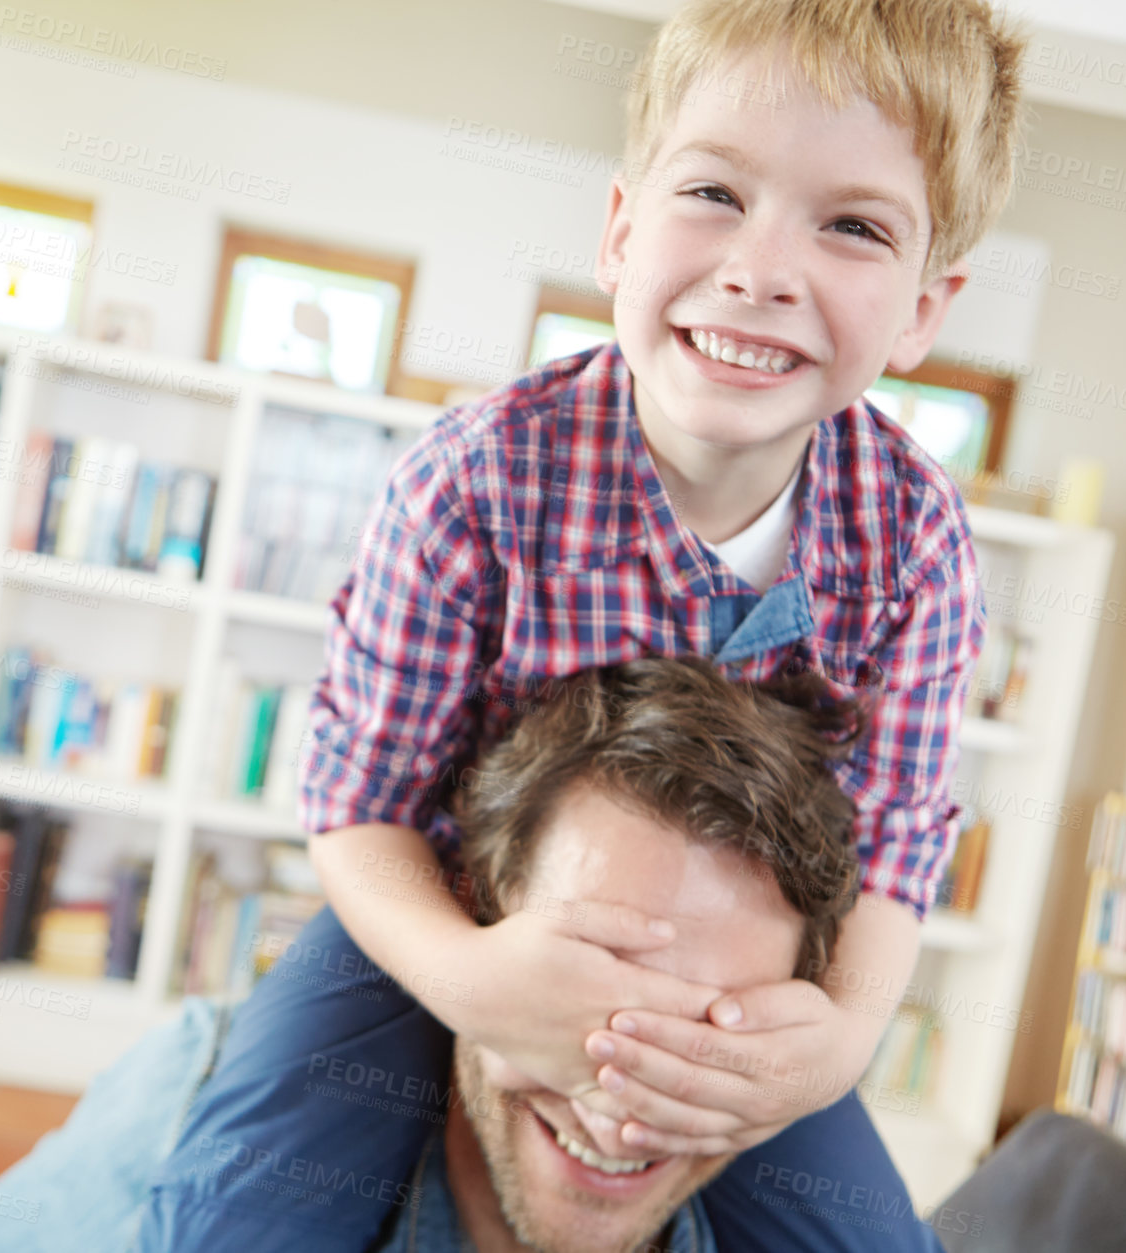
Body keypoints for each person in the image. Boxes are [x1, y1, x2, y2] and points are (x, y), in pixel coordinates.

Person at [141, 0, 1026, 1246]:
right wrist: (466, 980)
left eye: (852, 226)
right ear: (619, 229)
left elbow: (895, 848)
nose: (760, 270)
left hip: (729, 966)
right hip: (454, 912)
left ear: (926, 309)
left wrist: (838, 1038)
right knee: (239, 1210)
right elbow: (360, 803)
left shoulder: (915, 540)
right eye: (714, 192)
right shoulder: (475, 478)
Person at [0, 658, 946, 1252]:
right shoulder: (186, 1119)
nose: (621, 1100)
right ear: (472, 914)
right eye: (584, 984)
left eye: (710, 1030)